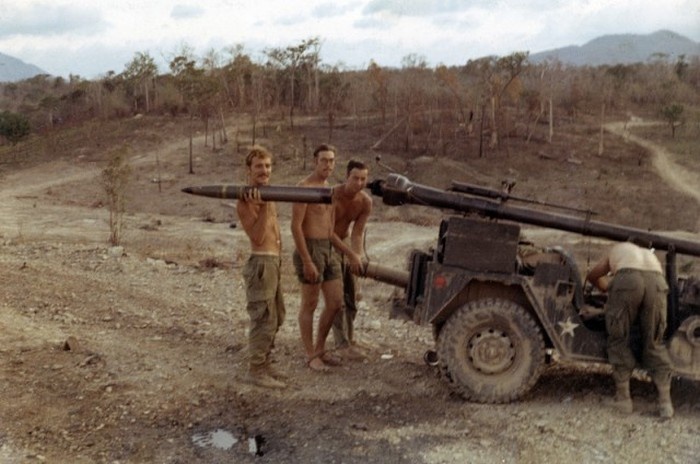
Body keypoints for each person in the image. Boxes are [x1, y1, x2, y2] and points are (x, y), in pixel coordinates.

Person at [585, 239, 674, 418]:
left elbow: (593, 276)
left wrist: (608, 288)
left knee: (619, 338)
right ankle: (665, 403)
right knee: (654, 341)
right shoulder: (651, 256)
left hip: (627, 279)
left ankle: (623, 400)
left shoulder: (619, 249)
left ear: (628, 242)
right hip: (656, 281)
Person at [236, 146, 287, 389]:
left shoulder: (267, 194)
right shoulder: (246, 200)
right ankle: (255, 369)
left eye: (267, 166)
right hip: (261, 263)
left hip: (274, 263)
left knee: (277, 317)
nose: (264, 171)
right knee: (263, 318)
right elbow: (257, 237)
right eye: (259, 166)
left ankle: (265, 363)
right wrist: (265, 205)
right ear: (249, 170)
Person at [291, 144, 344, 372]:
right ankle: (310, 354)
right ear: (315, 162)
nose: (328, 165)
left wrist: (348, 253)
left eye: (331, 161)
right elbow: (295, 227)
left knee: (335, 302)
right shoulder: (304, 188)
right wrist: (307, 260)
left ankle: (321, 348)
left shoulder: (329, 190)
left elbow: (330, 230)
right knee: (310, 303)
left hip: (328, 248)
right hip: (310, 248)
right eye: (324, 160)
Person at [330, 160, 373, 360]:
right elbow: (329, 233)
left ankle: (350, 338)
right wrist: (351, 254)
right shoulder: (334, 195)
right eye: (355, 178)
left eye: (363, 179)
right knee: (337, 298)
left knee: (352, 294)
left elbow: (357, 233)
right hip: (328, 245)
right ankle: (341, 343)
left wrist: (357, 257)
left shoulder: (365, 202)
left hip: (345, 244)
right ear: (347, 176)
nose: (359, 182)